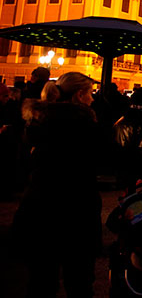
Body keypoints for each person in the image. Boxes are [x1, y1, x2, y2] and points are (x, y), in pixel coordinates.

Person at [13, 72, 101, 297]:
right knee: (79, 282)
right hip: (75, 211)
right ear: (80, 95)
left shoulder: (37, 121)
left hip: (37, 207)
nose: (93, 99)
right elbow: (106, 158)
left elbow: (24, 163)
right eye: (91, 93)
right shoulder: (84, 124)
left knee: (40, 281)